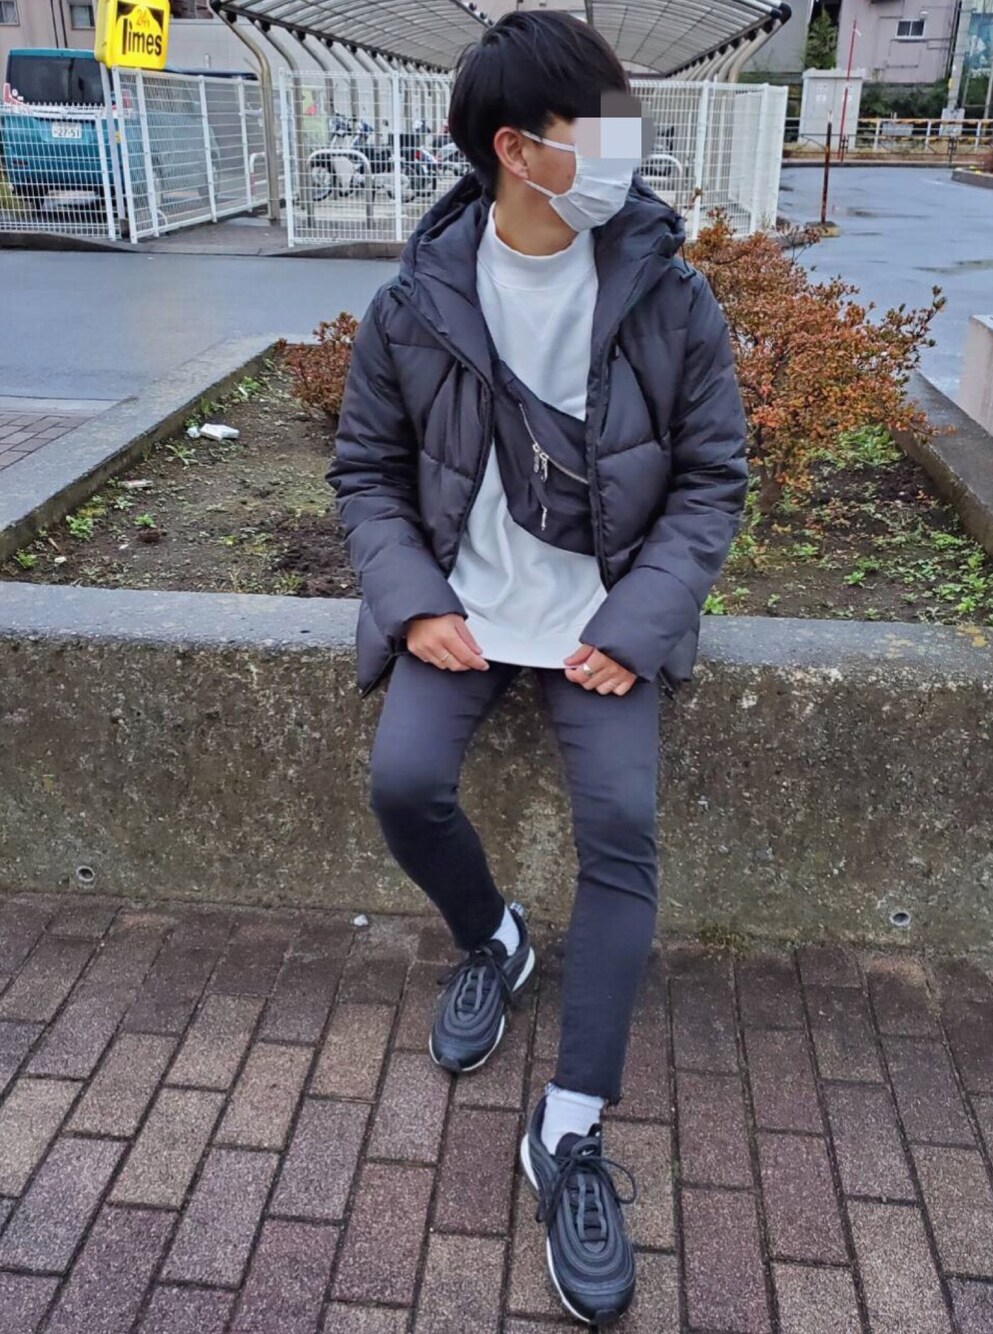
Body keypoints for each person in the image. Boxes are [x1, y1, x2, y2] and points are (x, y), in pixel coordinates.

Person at [328, 11, 748, 1326]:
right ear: (517, 150)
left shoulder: (670, 294)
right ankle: (493, 939)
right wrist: (413, 605)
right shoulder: (415, 302)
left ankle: (569, 1127)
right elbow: (366, 472)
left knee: (622, 830)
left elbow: (712, 482)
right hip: (466, 612)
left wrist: (635, 624)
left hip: (602, 627)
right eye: (600, 125)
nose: (628, 146)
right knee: (404, 785)